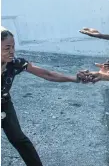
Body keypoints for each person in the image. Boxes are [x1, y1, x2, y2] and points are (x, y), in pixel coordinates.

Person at [1, 27, 82, 166]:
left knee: (19, 139)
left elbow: (47, 74)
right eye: (7, 47)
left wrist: (75, 78)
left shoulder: (15, 64)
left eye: (13, 47)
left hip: (4, 104)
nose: (12, 51)